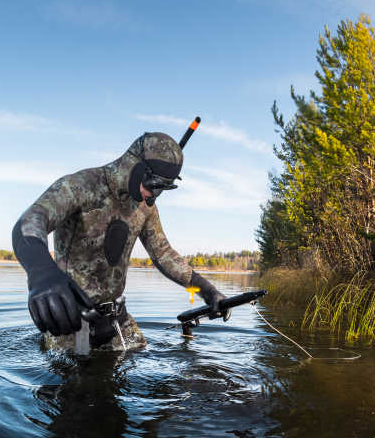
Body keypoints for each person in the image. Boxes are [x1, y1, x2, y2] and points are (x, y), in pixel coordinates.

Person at [12, 129, 229, 352]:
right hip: (75, 323)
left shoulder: (146, 209)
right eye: (153, 185)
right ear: (135, 167)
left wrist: (208, 291)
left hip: (117, 319)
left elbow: (164, 255)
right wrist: (41, 272)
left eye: (163, 189)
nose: (153, 196)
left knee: (142, 362)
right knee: (81, 384)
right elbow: (32, 219)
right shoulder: (81, 186)